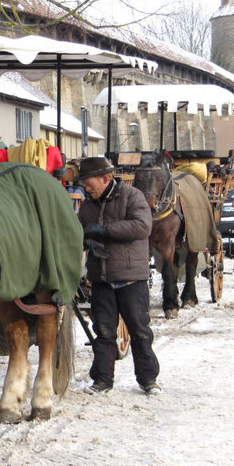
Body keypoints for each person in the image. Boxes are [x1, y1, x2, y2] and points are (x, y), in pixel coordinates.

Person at [76, 157, 160, 395]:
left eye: (89, 183)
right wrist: (84, 237)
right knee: (103, 333)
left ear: (105, 178)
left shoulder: (132, 196)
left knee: (140, 331)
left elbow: (143, 226)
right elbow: (79, 231)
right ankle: (102, 380)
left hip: (131, 278)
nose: (86, 188)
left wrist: (105, 230)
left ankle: (148, 380)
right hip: (101, 279)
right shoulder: (87, 206)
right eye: (83, 184)